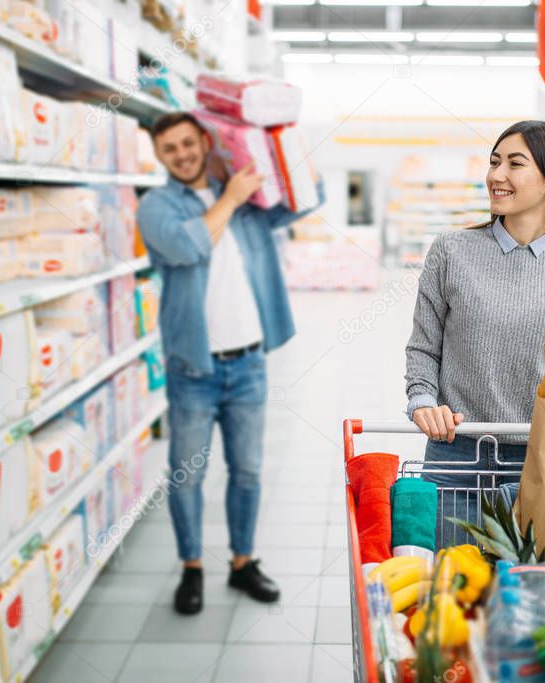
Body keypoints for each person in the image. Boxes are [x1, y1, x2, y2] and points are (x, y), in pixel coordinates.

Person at [137, 112, 324, 615]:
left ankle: (243, 563)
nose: (181, 154)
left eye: (186, 143)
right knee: (186, 475)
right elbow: (187, 246)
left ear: (203, 141)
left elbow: (307, 201)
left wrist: (280, 147)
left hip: (248, 367)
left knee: (246, 471)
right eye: (169, 148)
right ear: (159, 156)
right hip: (192, 369)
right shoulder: (157, 206)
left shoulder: (246, 198)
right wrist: (231, 197)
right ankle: (192, 568)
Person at [404, 120, 545, 546]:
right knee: (453, 592)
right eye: (494, 162)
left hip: (539, 460)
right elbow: (423, 347)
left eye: (515, 164)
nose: (497, 175)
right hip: (456, 452)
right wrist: (422, 401)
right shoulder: (451, 251)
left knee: (523, 597)